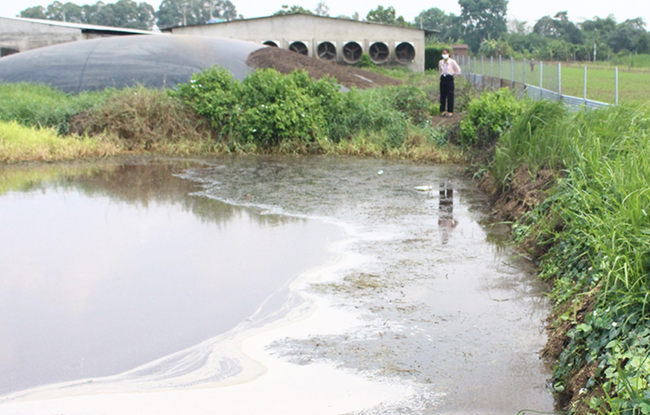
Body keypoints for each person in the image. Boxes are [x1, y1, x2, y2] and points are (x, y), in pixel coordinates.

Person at [438, 49, 461, 117]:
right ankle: (442, 111)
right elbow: (440, 70)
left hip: (449, 78)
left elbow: (458, 70)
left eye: (445, 53)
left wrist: (453, 75)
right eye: (443, 53)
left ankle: (450, 111)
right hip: (443, 78)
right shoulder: (440, 62)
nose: (444, 55)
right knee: (442, 95)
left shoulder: (452, 62)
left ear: (448, 53)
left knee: (450, 95)